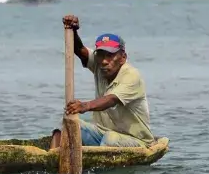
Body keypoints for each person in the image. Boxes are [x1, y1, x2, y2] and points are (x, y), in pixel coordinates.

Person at [50, 14, 155, 149]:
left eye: (110, 56)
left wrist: (85, 106)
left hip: (136, 141)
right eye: (100, 55)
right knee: (66, 124)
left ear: (123, 57)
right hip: (103, 134)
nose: (104, 61)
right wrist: (73, 30)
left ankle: (98, 165)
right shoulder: (100, 65)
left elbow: (111, 100)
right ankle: (52, 161)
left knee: (110, 139)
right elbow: (80, 50)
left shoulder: (132, 76)